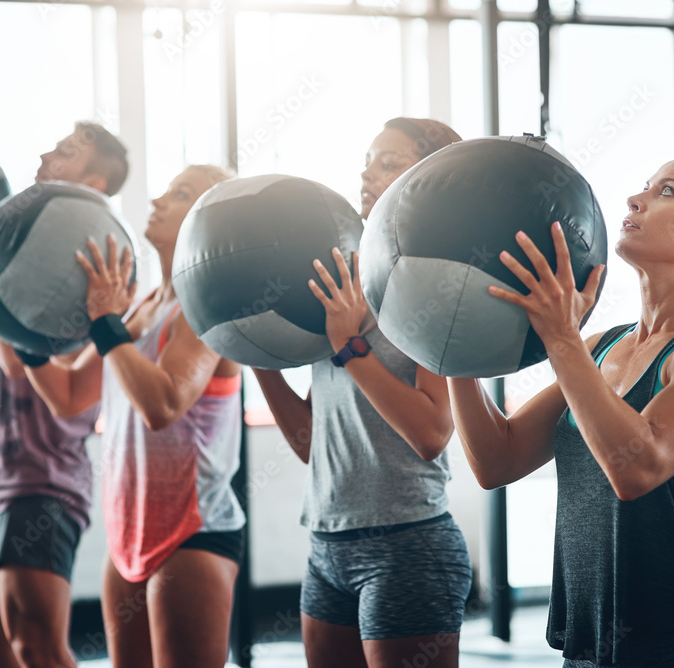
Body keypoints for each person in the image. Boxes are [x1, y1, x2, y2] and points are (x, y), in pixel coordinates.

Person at [447, 153, 674, 667]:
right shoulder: (602, 346)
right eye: (645, 186)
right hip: (589, 649)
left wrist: (561, 337)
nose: (636, 199)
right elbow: (498, 459)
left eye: (667, 191)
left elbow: (638, 467)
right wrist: (452, 350)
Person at [252, 118, 472, 667]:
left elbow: (431, 432)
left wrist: (350, 346)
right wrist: (261, 359)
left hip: (408, 544)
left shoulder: (429, 291)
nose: (366, 172)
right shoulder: (344, 287)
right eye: (368, 160)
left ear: (426, 180)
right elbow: (312, 443)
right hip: (327, 542)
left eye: (387, 162)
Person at [18, 165, 243, 668]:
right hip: (126, 537)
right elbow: (69, 394)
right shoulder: (139, 309)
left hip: (193, 534)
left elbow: (162, 404)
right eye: (166, 188)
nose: (160, 199)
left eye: (181, 194)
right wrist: (20, 324)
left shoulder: (205, 309)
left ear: (207, 220)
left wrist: (104, 324)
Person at [0, 121, 129, 668]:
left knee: (35, 645)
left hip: (41, 483)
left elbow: (19, 363)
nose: (44, 155)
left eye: (64, 152)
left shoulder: (99, 267)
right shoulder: (7, 254)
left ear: (97, 183)